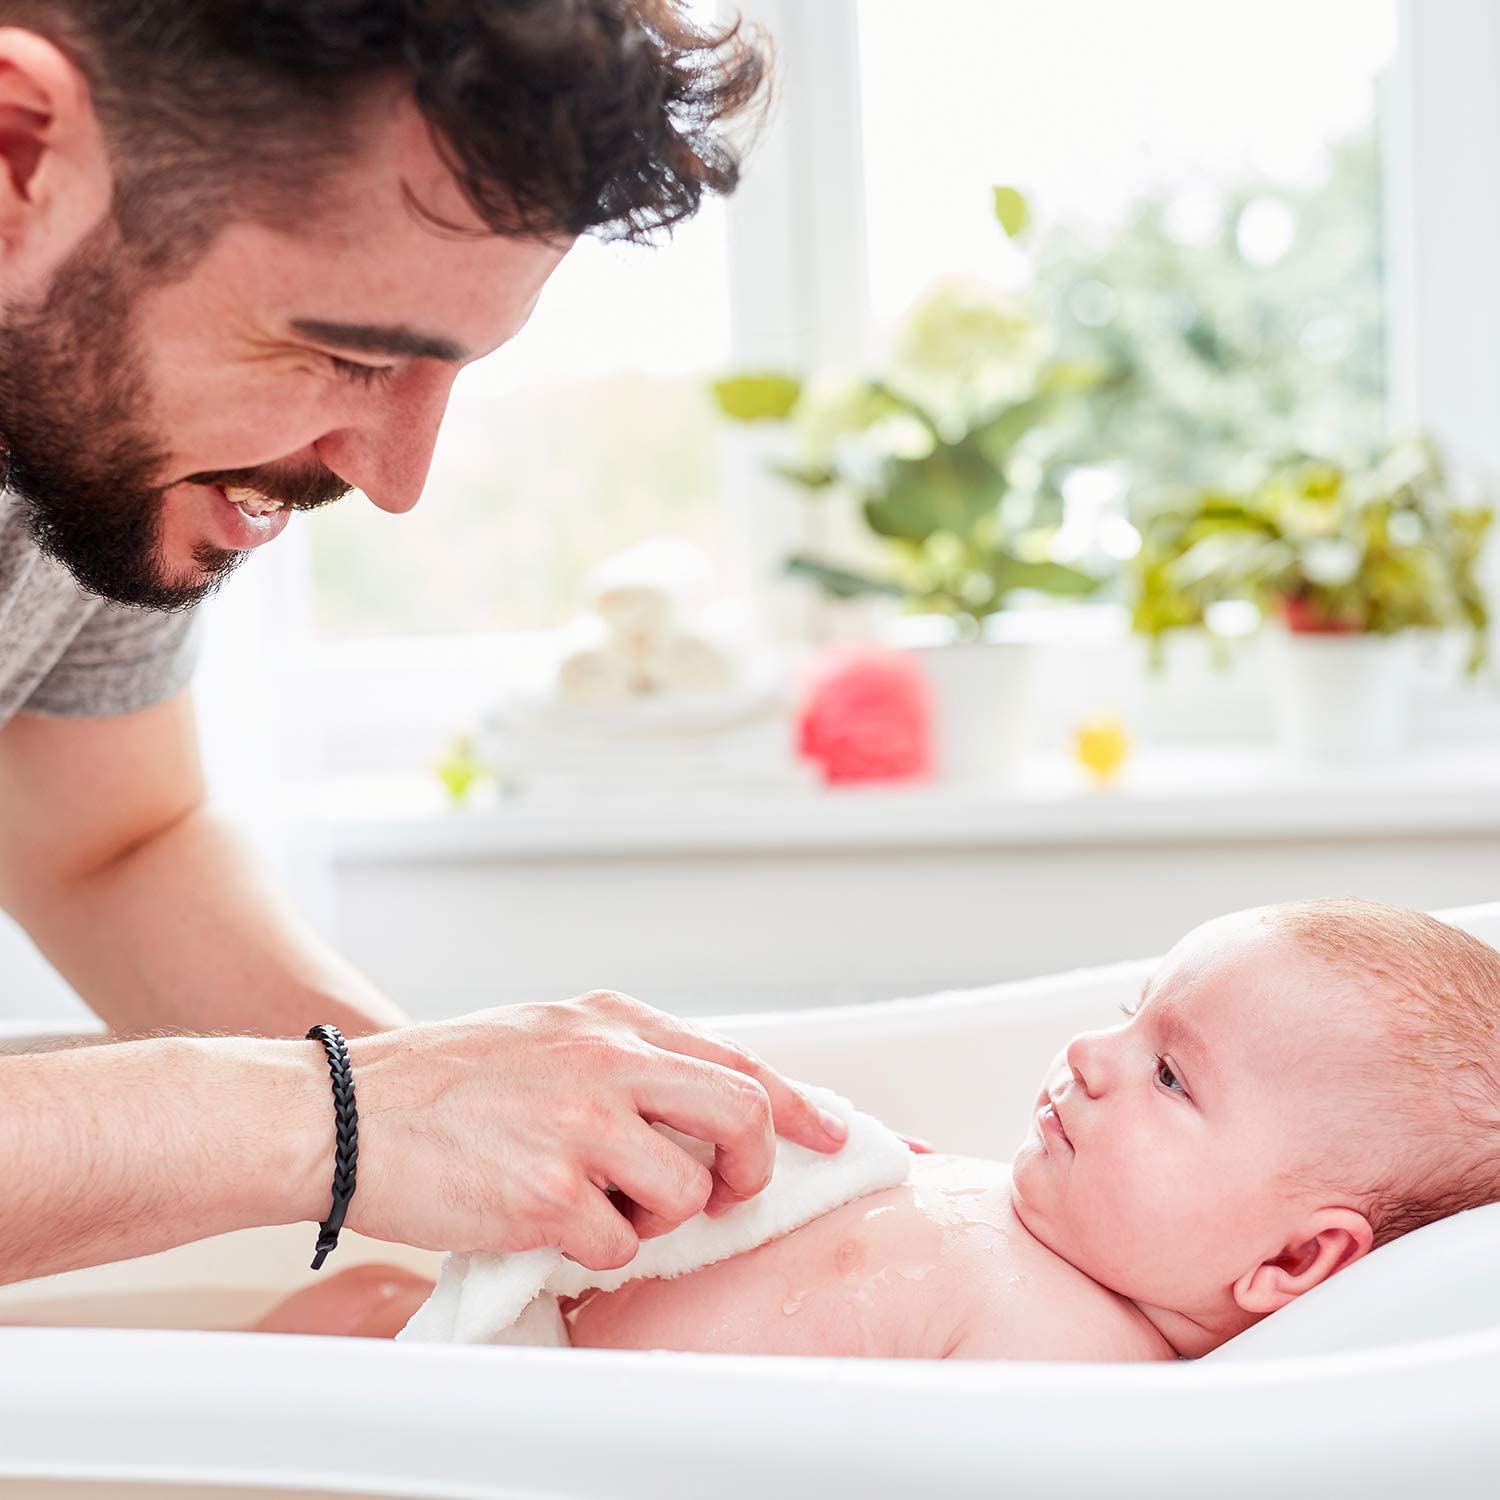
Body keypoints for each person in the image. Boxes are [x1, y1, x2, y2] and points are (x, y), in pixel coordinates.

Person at [0, 1, 855, 1290]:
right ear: (19, 152)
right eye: (344, 354)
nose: (398, 480)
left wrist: (500, 1146)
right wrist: (343, 1121)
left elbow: (107, 847)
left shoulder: (83, 425)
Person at [246, 900, 1500, 1360]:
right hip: (519, 1326)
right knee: (347, 1303)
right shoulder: (1048, 1233)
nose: (1090, 1057)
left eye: (1171, 1076)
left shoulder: (1074, 1374)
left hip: (539, 1433)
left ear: (1292, 1263)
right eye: (1130, 1018)